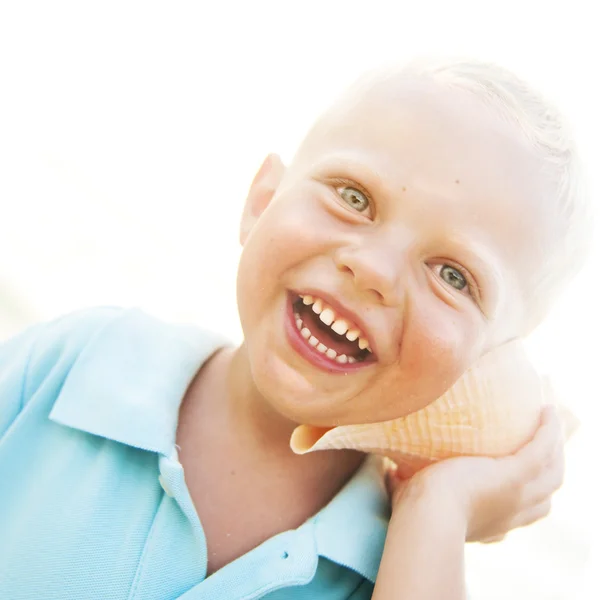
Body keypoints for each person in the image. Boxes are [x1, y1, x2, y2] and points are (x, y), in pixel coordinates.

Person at [0, 57, 592, 600]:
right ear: (263, 200)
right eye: (354, 197)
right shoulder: (80, 364)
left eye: (454, 277)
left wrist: (439, 508)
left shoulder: (401, 569)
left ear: (490, 364)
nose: (373, 270)